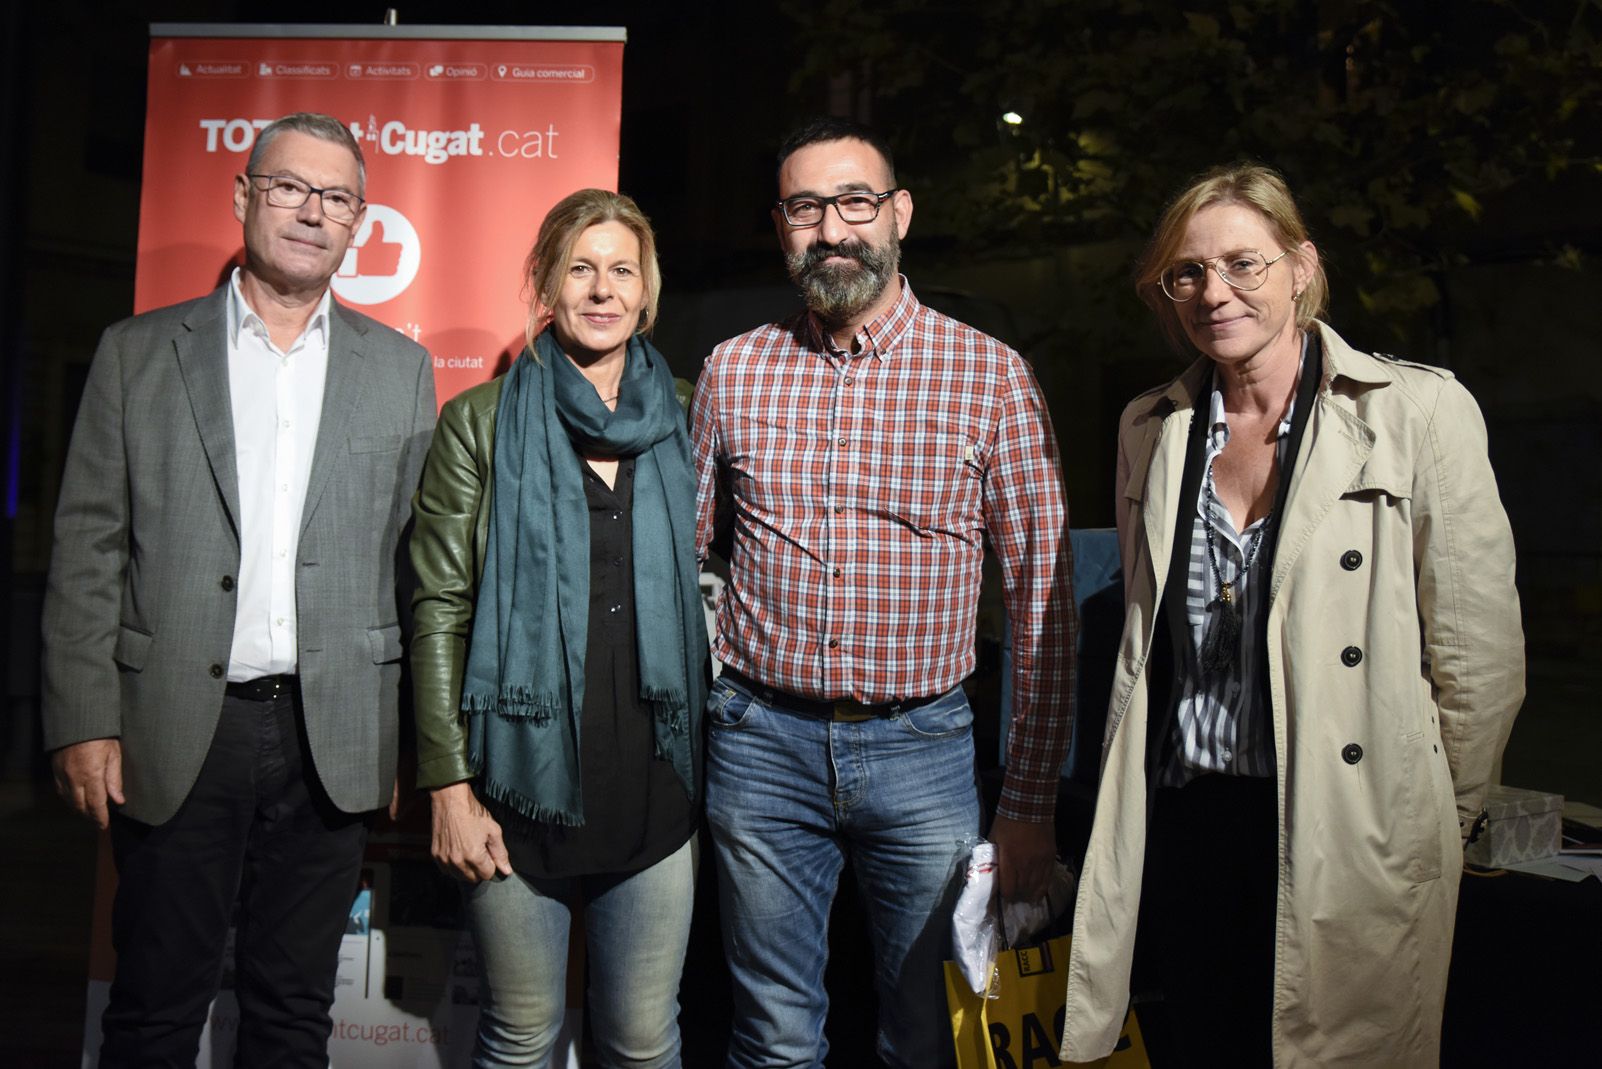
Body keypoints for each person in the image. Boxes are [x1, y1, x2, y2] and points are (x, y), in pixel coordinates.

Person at [1059, 163, 1525, 1067]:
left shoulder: (1416, 411)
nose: (1214, 291)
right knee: (1202, 1041)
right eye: (1186, 273)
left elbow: (1479, 660)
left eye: (1244, 263)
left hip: (1347, 826)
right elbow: (1148, 640)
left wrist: (1427, 818)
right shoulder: (1152, 426)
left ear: (1301, 265)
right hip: (1190, 820)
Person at [41, 112, 436, 1065]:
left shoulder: (403, 368)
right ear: (243, 198)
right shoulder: (138, 353)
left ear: (359, 223)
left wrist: (410, 738)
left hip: (330, 734)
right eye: (290, 187)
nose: (312, 212)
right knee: (152, 1008)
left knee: (294, 1015)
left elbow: (417, 567)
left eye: (336, 198)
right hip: (176, 722)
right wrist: (82, 715)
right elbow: (89, 541)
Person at [691, 117, 1075, 1069]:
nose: (833, 229)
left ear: (899, 212)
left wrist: (1027, 801)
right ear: (780, 227)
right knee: (772, 1034)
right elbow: (683, 561)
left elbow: (1043, 605)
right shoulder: (732, 370)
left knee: (926, 1036)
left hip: (924, 750)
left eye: (855, 202)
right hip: (759, 746)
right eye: (806, 208)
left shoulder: (990, 377)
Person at [410, 188, 706, 1068]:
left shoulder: (692, 414)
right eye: (581, 267)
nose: (602, 289)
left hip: (657, 784)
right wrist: (449, 786)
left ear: (647, 290)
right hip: (516, 785)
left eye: (622, 269)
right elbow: (438, 606)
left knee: (645, 1041)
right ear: (546, 281)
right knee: (520, 1035)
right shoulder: (482, 419)